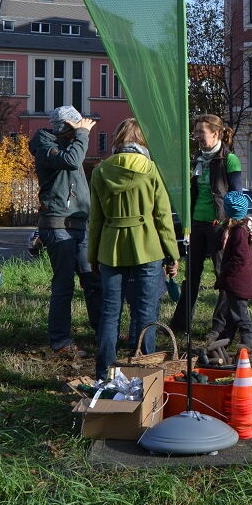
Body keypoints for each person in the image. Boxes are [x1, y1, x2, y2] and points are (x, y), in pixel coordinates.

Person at [88, 118, 180, 382]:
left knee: (109, 312)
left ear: (118, 139)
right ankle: (145, 373)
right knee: (145, 311)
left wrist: (92, 255)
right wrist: (172, 254)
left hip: (110, 249)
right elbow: (163, 216)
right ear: (142, 140)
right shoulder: (151, 169)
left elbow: (95, 220)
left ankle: (104, 373)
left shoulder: (100, 171)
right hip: (147, 247)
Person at [31, 105, 101, 356]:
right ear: (66, 127)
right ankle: (60, 342)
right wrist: (82, 134)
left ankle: (102, 331)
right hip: (58, 226)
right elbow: (72, 161)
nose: (82, 130)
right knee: (64, 286)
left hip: (79, 226)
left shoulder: (68, 145)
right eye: (76, 126)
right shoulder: (45, 147)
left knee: (93, 280)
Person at [170, 114, 243, 338]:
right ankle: (180, 324)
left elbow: (237, 196)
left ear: (216, 133)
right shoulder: (197, 159)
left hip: (219, 225)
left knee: (222, 276)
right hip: (197, 224)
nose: (198, 136)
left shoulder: (229, 160)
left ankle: (219, 326)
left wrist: (229, 225)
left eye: (201, 132)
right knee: (191, 274)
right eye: (196, 132)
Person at [203, 191, 252, 366]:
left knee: (241, 316)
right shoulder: (239, 230)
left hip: (237, 282)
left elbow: (239, 259)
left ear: (228, 211)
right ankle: (223, 342)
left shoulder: (239, 233)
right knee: (232, 316)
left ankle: (249, 345)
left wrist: (227, 276)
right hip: (237, 282)